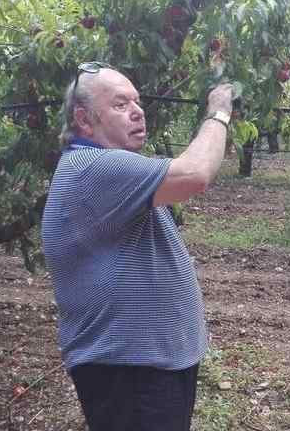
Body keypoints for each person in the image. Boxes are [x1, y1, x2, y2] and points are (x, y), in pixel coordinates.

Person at [41, 62, 233, 431]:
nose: (137, 111)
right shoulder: (93, 168)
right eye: (119, 104)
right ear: (84, 120)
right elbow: (195, 175)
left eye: (137, 101)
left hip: (146, 367)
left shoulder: (106, 168)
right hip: (129, 374)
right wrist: (219, 112)